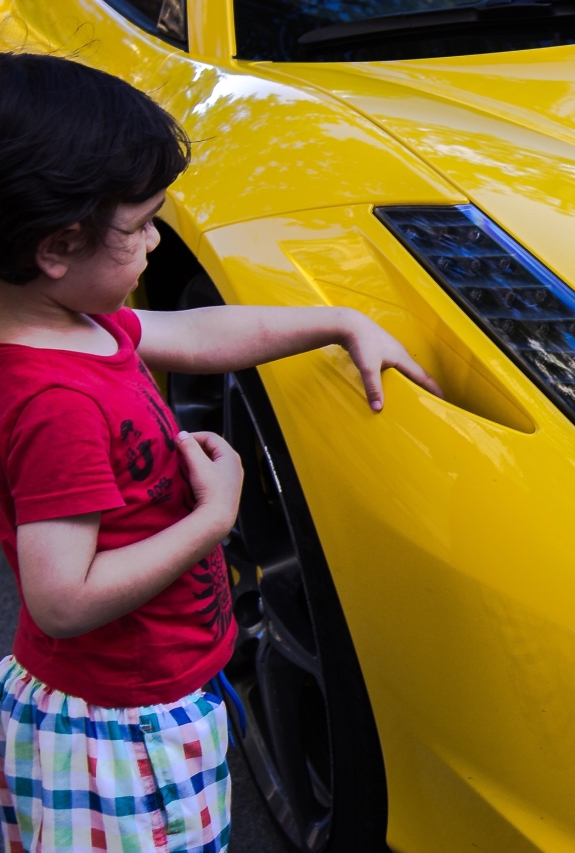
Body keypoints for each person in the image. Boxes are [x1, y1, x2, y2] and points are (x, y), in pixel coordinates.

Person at [0, 52, 441, 852]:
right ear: (58, 246)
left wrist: (336, 320)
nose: (158, 241)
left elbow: (197, 334)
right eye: (139, 227)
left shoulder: (76, 322)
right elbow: (62, 597)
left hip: (148, 690)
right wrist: (216, 517)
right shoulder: (55, 401)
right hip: (121, 734)